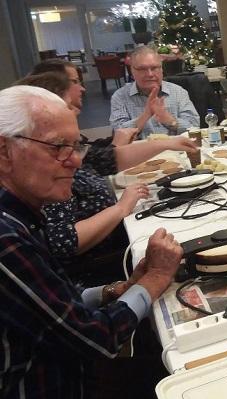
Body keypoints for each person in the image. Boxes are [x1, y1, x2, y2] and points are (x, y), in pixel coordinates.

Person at [0, 85, 182, 399]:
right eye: (58, 147)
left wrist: (115, 290)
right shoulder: (6, 237)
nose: (74, 160)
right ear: (5, 151)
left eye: (75, 146)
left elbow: (52, 303)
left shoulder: (22, 216)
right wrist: (155, 278)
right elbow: (95, 339)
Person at [15, 71, 198, 286]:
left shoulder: (65, 150)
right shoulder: (49, 174)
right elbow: (63, 241)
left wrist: (166, 143)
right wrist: (120, 208)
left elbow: (109, 159)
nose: (82, 89)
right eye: (74, 83)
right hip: (107, 266)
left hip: (123, 239)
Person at [110, 45, 199, 137]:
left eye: (154, 68)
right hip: (141, 150)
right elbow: (119, 134)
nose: (150, 74)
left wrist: (169, 120)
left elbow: (194, 127)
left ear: (161, 69)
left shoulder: (178, 92)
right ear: (132, 71)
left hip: (176, 149)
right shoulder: (120, 96)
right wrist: (146, 114)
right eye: (142, 69)